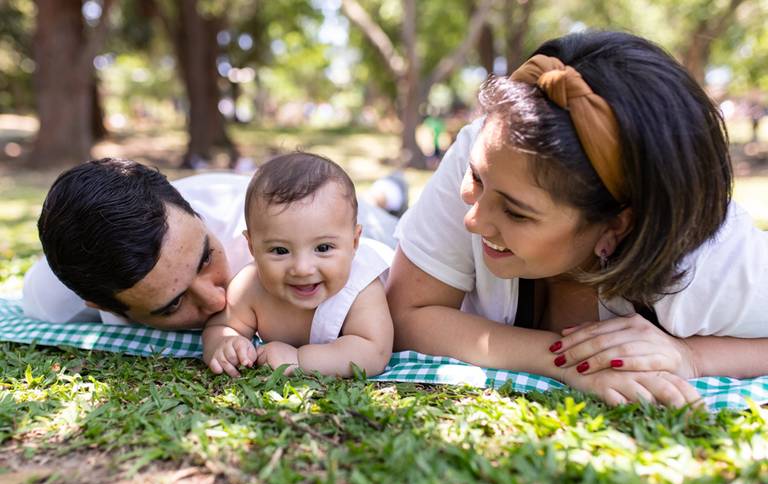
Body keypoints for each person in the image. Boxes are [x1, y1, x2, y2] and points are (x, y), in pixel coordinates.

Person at [386, 31, 768, 408]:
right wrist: (568, 364)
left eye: (517, 212)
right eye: (477, 179)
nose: (473, 220)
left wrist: (691, 357)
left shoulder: (713, 261)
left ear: (617, 225)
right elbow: (406, 314)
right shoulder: (488, 148)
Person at [24, 157, 401, 331]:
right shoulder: (53, 299)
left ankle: (389, 191)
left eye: (205, 258)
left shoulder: (264, 230)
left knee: (389, 213)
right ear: (101, 305)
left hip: (357, 221)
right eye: (173, 304)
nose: (219, 301)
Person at [202, 152, 393, 378]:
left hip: (389, 241)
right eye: (280, 251)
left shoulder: (362, 286)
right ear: (252, 247)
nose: (302, 268)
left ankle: (390, 190)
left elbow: (372, 352)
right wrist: (225, 344)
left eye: (323, 248)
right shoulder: (251, 286)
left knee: (389, 222)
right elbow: (222, 326)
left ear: (354, 243)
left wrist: (299, 359)